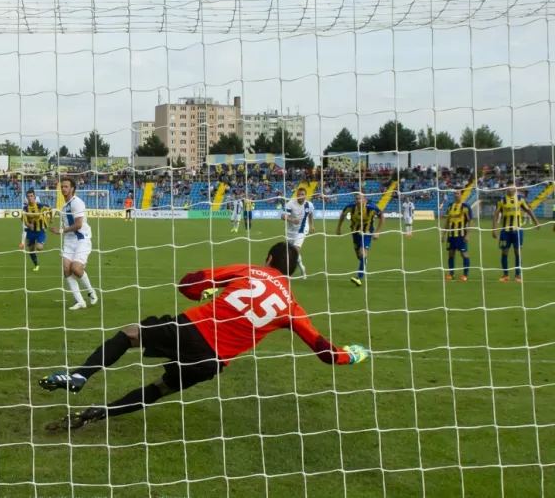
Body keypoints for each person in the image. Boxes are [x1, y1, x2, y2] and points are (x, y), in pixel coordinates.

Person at [38, 242, 368, 430]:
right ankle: (94, 416)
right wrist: (352, 353)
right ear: (292, 273)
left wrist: (204, 292)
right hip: (213, 361)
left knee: (130, 334)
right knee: (161, 387)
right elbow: (325, 351)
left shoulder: (250, 271)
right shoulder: (292, 307)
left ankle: (80, 376)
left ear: (268, 259)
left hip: (193, 329)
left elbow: (189, 282)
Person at [51, 178, 97, 311]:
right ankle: (80, 301)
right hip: (69, 241)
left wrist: (60, 231)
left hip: (82, 239)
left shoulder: (77, 203)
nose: (63, 189)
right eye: (62, 187)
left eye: (66, 186)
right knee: (66, 269)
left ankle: (91, 292)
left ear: (72, 189)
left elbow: (78, 225)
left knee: (76, 269)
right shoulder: (64, 207)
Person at [335, 192, 384, 287]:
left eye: (360, 198)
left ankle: (359, 278)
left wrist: (377, 232)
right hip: (355, 233)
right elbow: (343, 215)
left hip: (367, 233)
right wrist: (338, 228)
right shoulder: (351, 207)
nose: (358, 200)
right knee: (360, 256)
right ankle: (363, 261)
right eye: (356, 198)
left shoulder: (371, 207)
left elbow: (382, 216)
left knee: (362, 253)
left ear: (364, 199)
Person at [492, 185, 539, 282]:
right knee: (504, 252)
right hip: (505, 231)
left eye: (511, 187)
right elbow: (496, 214)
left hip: (517, 230)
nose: (510, 189)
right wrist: (494, 228)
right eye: (508, 188)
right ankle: (505, 275)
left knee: (517, 252)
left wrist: (536, 221)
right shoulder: (501, 200)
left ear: (515, 189)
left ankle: (518, 275)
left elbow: (528, 210)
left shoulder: (520, 199)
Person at [281, 187, 315, 278]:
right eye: (299, 194)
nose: (300, 196)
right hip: (290, 231)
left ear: (306, 195)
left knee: (294, 251)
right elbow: (283, 216)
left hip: (302, 229)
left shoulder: (309, 205)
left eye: (302, 194)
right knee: (291, 251)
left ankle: (288, 272)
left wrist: (311, 225)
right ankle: (302, 267)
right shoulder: (290, 203)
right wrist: (292, 220)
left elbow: (311, 213)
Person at [442, 190, 473, 281]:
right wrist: (443, 234)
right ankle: (451, 274)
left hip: (461, 235)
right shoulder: (450, 206)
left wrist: (468, 235)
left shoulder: (465, 206)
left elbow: (470, 221)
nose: (456, 195)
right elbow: (447, 221)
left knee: (464, 254)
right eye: (455, 194)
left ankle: (465, 275)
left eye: (458, 193)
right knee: (451, 254)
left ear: (461, 195)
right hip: (451, 235)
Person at [23, 189, 50, 272]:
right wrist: (28, 225)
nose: (30, 198)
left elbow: (50, 209)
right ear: (26, 198)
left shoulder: (41, 206)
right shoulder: (25, 208)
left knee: (39, 248)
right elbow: (25, 220)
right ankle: (36, 264)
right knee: (31, 251)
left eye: (31, 196)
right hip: (30, 232)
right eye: (28, 196)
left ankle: (40, 241)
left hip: (40, 231)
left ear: (34, 197)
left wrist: (50, 218)